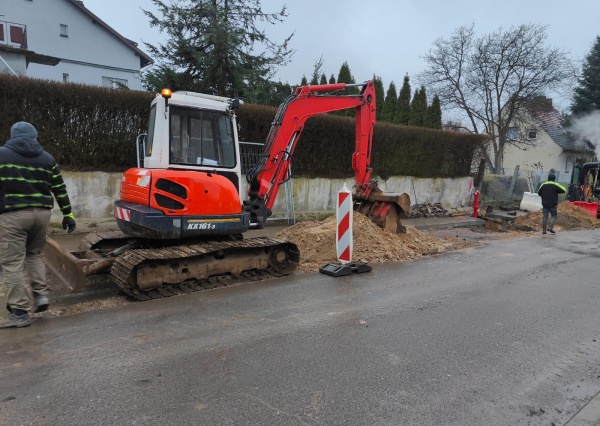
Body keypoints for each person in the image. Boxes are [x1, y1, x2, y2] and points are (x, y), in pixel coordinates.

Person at [0, 121, 76, 328]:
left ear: (13, 136)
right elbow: (59, 188)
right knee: (34, 255)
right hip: (42, 215)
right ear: (35, 137)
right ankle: (40, 295)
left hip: (13, 216)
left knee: (12, 263)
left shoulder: (2, 155)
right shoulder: (47, 158)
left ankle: (20, 312)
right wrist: (68, 215)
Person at [537, 170, 566, 235]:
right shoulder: (555, 184)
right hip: (553, 204)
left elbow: (539, 193)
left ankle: (544, 230)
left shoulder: (543, 185)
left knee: (545, 216)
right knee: (554, 216)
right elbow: (564, 189)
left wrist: (544, 196)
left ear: (548, 178)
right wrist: (556, 192)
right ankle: (550, 227)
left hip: (545, 203)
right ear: (554, 179)